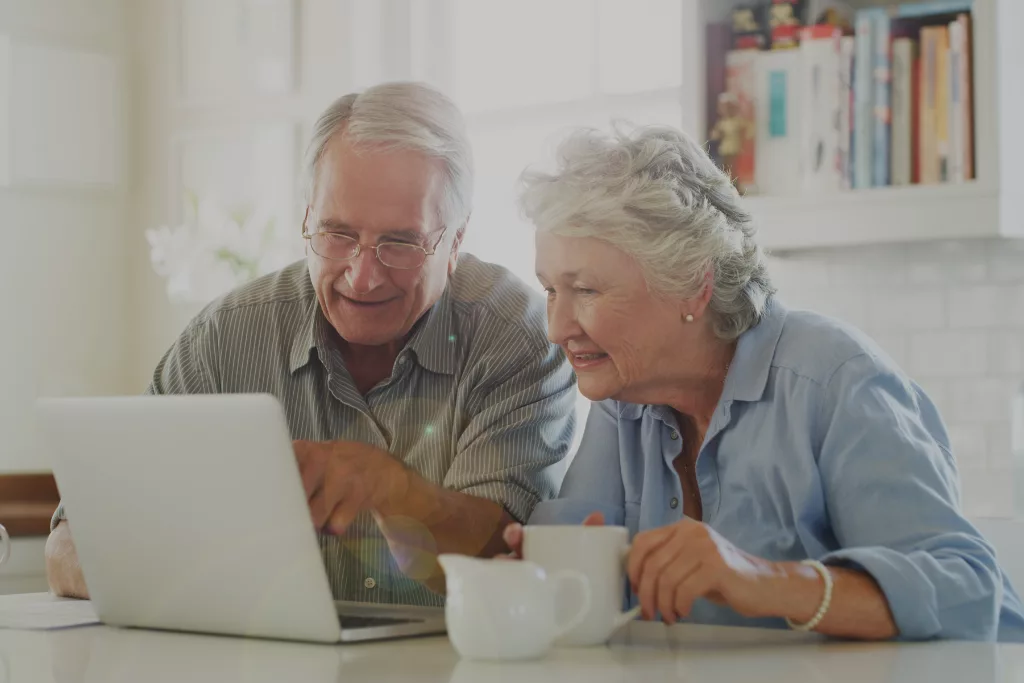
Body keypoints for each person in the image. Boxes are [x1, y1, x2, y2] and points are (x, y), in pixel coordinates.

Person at [45, 82, 577, 605]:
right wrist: (185, 582)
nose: (362, 277)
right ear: (306, 220)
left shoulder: (518, 336)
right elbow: (71, 540)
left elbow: (503, 555)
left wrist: (396, 493)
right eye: (336, 234)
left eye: (399, 243)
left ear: (455, 241)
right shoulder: (228, 336)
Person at [504, 122, 1024, 642]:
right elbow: (569, 574)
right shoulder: (626, 400)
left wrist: (763, 580)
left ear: (692, 286)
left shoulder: (834, 380)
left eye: (587, 289)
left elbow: (973, 594)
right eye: (550, 290)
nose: (556, 329)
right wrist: (531, 571)